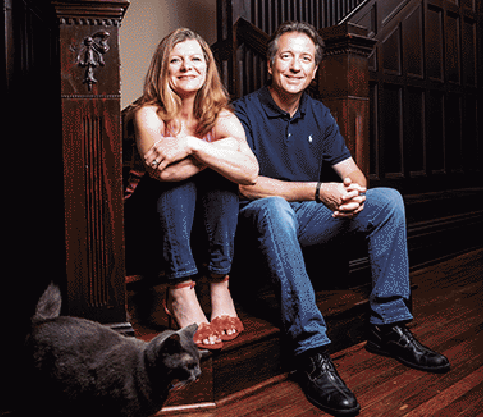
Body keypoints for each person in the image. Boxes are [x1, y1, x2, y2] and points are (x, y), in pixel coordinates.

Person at [233, 21, 450, 415]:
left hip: (310, 218)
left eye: (306, 59)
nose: (295, 67)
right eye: (286, 57)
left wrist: (354, 192)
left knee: (387, 201)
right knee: (274, 207)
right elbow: (247, 186)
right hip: (260, 221)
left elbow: (351, 170)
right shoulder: (242, 111)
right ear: (270, 65)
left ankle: (388, 325)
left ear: (315, 70)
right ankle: (310, 349)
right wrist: (319, 191)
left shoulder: (319, 114)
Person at [126, 28, 258, 350]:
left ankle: (219, 286)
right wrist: (215, 154)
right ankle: (181, 290)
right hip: (147, 219)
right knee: (187, 180)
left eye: (195, 59)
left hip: (202, 220)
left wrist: (188, 145)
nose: (187, 66)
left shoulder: (221, 115)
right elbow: (161, 173)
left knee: (220, 177)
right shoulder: (148, 113)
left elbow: (250, 171)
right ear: (163, 68)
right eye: (176, 60)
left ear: (207, 67)